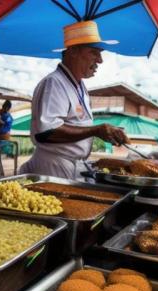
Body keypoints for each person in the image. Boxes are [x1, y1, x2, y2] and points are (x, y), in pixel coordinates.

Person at [19, 20, 129, 179]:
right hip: (53, 167)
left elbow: (77, 124)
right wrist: (96, 130)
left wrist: (106, 133)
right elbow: (46, 132)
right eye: (94, 52)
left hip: (70, 165)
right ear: (73, 51)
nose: (100, 60)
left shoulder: (79, 86)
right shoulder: (54, 83)